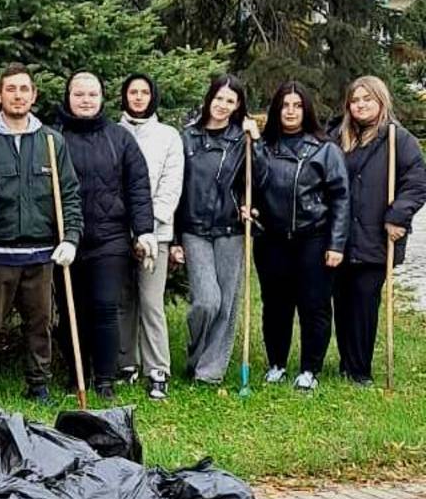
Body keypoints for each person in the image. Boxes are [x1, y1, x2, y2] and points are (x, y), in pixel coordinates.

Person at [0, 63, 82, 403]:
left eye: (25, 89)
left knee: (40, 323)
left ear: (34, 95)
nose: (18, 96)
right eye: (11, 89)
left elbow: (69, 194)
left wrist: (71, 238)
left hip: (41, 254)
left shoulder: (51, 141)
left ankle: (38, 385)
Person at [54, 71, 154, 400]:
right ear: (68, 97)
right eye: (79, 94)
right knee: (73, 310)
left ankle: (106, 378)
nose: (85, 100)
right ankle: (76, 373)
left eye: (92, 95)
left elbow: (138, 187)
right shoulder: (54, 138)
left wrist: (144, 231)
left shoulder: (120, 138)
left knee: (105, 306)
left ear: (102, 98)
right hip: (68, 239)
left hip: (110, 238)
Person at [250, 81, 349, 391]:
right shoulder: (262, 147)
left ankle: (310, 368)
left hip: (313, 237)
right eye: (284, 105)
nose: (290, 111)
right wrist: (247, 210)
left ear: (306, 109)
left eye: (297, 105)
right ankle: (277, 362)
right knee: (275, 305)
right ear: (276, 110)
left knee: (313, 305)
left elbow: (341, 197)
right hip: (272, 239)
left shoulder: (325, 149)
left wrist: (336, 243)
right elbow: (249, 185)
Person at [332, 76, 426, 385]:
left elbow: (416, 182)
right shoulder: (338, 138)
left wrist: (398, 216)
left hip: (376, 238)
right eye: (355, 100)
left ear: (381, 101)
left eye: (366, 99)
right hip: (340, 237)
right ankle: (346, 363)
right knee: (342, 301)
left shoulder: (399, 140)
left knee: (364, 301)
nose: (360, 105)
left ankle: (360, 370)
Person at [171, 74, 259, 385]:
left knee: (227, 304)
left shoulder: (242, 140)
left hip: (230, 229)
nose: (222, 105)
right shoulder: (188, 138)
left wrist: (256, 140)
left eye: (230, 101)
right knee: (207, 300)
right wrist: (175, 238)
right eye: (219, 98)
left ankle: (210, 372)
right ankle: (196, 357)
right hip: (194, 229)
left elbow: (258, 179)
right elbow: (176, 189)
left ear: (238, 107)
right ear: (210, 99)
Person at [116, 73, 184, 398]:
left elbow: (170, 189)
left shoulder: (168, 136)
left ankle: (157, 369)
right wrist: (125, 226)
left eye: (145, 92)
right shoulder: (113, 133)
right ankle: (125, 363)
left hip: (155, 233)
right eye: (133, 92)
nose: (139, 97)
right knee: (123, 300)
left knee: (150, 301)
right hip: (117, 231)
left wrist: (146, 228)